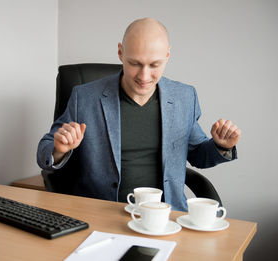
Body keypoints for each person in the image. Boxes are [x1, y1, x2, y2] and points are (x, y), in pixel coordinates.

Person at [37, 18, 241, 211]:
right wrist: (59, 149)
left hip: (165, 216)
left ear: (167, 56)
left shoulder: (184, 97)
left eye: (154, 65)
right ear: (120, 52)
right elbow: (44, 150)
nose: (144, 76)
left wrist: (221, 146)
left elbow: (198, 154)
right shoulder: (85, 97)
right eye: (135, 63)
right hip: (102, 213)